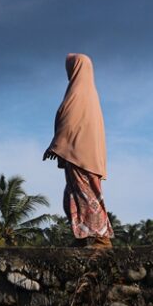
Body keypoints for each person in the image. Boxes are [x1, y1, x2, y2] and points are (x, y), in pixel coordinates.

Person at [43, 53, 112, 248]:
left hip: (82, 156)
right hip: (82, 155)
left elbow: (70, 122)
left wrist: (56, 144)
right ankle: (83, 236)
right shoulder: (86, 93)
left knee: (87, 195)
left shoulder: (79, 94)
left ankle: (101, 238)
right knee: (73, 196)